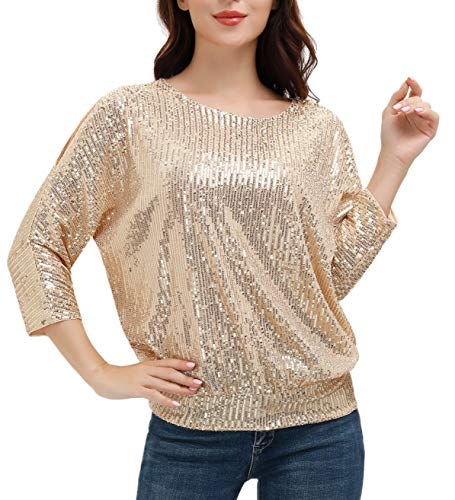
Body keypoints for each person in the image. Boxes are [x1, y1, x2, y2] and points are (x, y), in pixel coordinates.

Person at [7, 1, 439, 499]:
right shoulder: (129, 115)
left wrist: (394, 160)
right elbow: (38, 242)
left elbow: (327, 279)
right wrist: (98, 373)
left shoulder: (316, 128)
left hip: (321, 430)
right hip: (189, 427)